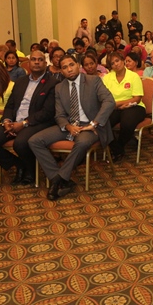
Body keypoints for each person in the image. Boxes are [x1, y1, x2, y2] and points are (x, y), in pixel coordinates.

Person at [29, 54, 115, 201]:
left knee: (81, 142)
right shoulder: (59, 88)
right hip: (70, 125)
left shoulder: (93, 81)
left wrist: (94, 123)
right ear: (61, 71)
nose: (69, 69)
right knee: (34, 141)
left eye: (71, 65)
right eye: (64, 67)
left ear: (78, 65)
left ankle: (58, 180)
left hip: (90, 126)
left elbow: (109, 101)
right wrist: (68, 126)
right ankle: (58, 178)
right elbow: (59, 114)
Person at [0, 50, 58, 186]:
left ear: (45, 64)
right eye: (33, 59)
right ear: (29, 63)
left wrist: (24, 123)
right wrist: (7, 121)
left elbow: (47, 112)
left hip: (36, 123)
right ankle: (19, 164)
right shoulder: (20, 82)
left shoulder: (52, 83)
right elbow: (10, 105)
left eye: (40, 60)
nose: (37, 62)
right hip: (14, 122)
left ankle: (31, 171)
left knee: (20, 143)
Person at [103, 52, 146, 163]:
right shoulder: (107, 78)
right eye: (112, 63)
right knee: (102, 123)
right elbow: (104, 98)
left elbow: (137, 98)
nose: (116, 64)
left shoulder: (133, 76)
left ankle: (119, 147)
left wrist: (119, 103)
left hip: (134, 106)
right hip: (114, 107)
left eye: (117, 61)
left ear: (123, 60)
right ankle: (117, 149)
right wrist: (116, 106)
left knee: (127, 123)